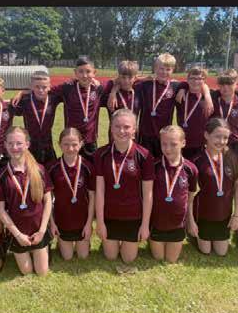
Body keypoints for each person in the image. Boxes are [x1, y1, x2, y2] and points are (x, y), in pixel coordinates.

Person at [94, 109, 154, 264]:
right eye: (117, 126)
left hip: (133, 216)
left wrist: (145, 225)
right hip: (109, 215)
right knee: (111, 256)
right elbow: (99, 191)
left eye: (127, 127)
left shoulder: (144, 155)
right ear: (111, 128)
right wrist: (100, 222)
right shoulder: (101, 154)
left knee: (128, 259)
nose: (121, 131)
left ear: (134, 130)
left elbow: (148, 193)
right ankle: (110, 241)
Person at [11, 57, 103, 160]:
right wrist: (22, 92)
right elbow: (45, 89)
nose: (84, 75)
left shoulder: (99, 88)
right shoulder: (67, 88)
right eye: (81, 71)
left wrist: (113, 91)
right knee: (69, 165)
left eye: (88, 71)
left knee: (91, 167)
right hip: (71, 139)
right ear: (75, 73)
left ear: (94, 72)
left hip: (90, 140)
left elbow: (114, 85)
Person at [0, 127, 54, 275]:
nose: (14, 147)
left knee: (42, 272)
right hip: (18, 232)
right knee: (26, 271)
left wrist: (42, 231)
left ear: (27, 144)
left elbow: (48, 201)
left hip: (38, 229)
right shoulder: (1, 175)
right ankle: (29, 248)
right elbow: (0, 209)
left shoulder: (39, 169)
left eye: (19, 143)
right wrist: (17, 235)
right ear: (5, 145)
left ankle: (41, 246)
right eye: (10, 143)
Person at [191, 118, 238, 256]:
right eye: (217, 136)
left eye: (225, 138)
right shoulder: (197, 160)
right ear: (206, 135)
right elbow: (190, 194)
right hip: (203, 215)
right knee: (206, 250)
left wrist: (237, 215)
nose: (221, 141)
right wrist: (190, 220)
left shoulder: (231, 158)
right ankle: (193, 232)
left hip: (223, 215)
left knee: (221, 252)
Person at [149, 125, 199, 263]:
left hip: (178, 225)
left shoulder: (191, 169)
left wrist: (191, 221)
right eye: (164, 144)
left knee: (171, 260)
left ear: (183, 143)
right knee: (158, 258)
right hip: (157, 223)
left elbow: (190, 199)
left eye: (173, 144)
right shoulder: (154, 166)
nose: (168, 148)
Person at [47, 128, 95, 260]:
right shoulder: (52, 167)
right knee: (67, 257)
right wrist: (52, 223)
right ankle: (61, 242)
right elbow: (48, 198)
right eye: (66, 144)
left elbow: (92, 197)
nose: (70, 148)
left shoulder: (88, 166)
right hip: (62, 221)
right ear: (59, 145)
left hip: (82, 220)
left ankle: (84, 241)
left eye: (74, 144)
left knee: (83, 256)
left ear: (81, 144)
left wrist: (89, 224)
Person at [8, 71, 61, 165]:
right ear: (31, 87)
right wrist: (21, 93)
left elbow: (70, 89)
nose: (41, 90)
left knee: (50, 171)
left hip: (48, 145)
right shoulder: (24, 100)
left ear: (49, 87)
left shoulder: (54, 98)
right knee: (30, 171)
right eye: (37, 87)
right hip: (30, 145)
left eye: (44, 87)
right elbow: (7, 108)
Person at [210, 69, 238, 153]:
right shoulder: (212, 98)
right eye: (222, 84)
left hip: (235, 141)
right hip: (216, 140)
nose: (225, 87)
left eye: (229, 84)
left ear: (236, 84)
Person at [174, 67, 212, 161]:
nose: (195, 81)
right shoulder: (180, 94)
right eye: (192, 78)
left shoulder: (210, 97)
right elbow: (172, 83)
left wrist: (207, 95)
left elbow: (231, 91)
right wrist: (182, 87)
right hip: (183, 142)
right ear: (187, 79)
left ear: (204, 81)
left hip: (201, 143)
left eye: (199, 79)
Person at [100, 60, 140, 143]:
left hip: (132, 134)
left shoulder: (138, 91)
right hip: (115, 135)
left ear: (135, 78)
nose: (126, 81)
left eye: (130, 78)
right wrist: (113, 91)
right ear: (118, 77)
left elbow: (151, 79)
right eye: (123, 77)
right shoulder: (110, 91)